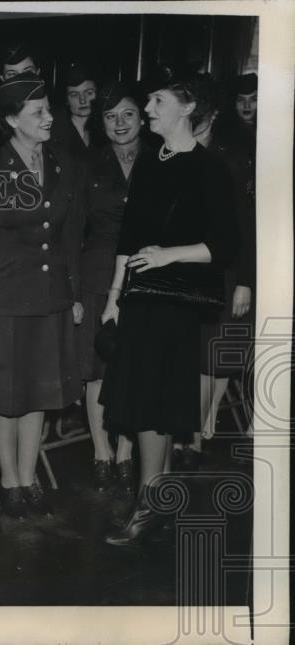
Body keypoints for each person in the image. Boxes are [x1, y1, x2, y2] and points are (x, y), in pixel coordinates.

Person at [99, 69, 239, 546]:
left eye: (157, 101)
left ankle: (148, 502)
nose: (149, 108)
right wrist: (114, 298)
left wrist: (168, 254)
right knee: (140, 403)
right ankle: (152, 499)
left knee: (157, 405)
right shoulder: (149, 163)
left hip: (176, 303)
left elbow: (224, 246)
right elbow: (129, 237)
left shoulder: (209, 168)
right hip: (140, 299)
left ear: (186, 107)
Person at [0, 72, 84, 519]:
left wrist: (73, 291)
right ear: (10, 120)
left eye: (48, 110)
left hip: (50, 296)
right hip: (7, 296)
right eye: (37, 112)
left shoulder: (61, 162)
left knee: (39, 390)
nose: (48, 118)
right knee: (6, 392)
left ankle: (28, 474)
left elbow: (69, 236)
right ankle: (8, 479)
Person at [77, 81, 151, 494]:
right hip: (97, 271)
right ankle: (101, 451)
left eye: (127, 114)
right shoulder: (87, 165)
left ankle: (126, 452)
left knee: (134, 366)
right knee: (98, 369)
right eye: (110, 116)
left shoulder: (161, 161)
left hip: (145, 271)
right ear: (100, 122)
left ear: (142, 117)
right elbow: (74, 229)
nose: (120, 123)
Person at [183, 84, 256, 466]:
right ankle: (196, 429)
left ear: (211, 116)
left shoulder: (231, 158)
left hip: (225, 271)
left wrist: (245, 279)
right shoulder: (176, 154)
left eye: (198, 115)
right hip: (188, 268)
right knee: (196, 355)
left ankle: (200, 427)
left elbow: (246, 226)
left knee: (217, 355)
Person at [50, 63, 97, 158]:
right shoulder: (53, 130)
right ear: (66, 99)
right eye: (74, 94)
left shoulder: (106, 128)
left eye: (89, 93)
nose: (82, 100)